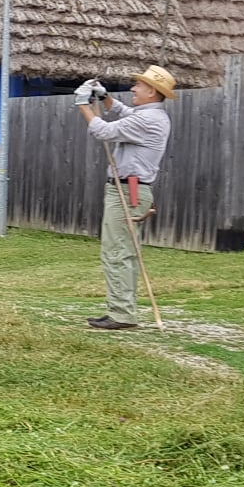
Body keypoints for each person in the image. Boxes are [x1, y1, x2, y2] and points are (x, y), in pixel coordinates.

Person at [75, 65, 175, 330]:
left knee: (117, 252)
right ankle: (122, 310)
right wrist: (105, 97)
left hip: (127, 191)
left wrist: (81, 103)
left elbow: (103, 131)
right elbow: (124, 112)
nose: (133, 88)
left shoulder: (148, 120)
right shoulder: (149, 115)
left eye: (138, 85)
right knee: (122, 251)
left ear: (151, 91)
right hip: (128, 189)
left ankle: (121, 314)